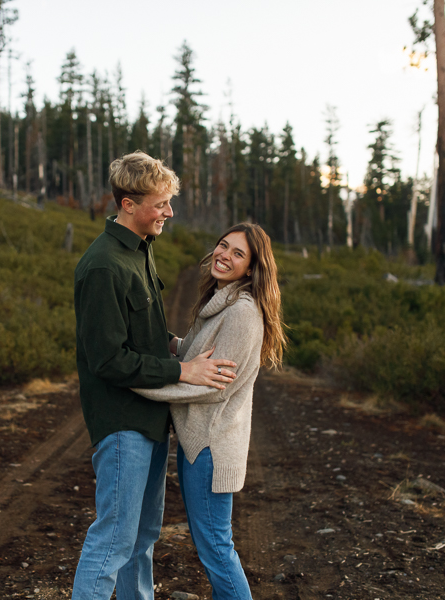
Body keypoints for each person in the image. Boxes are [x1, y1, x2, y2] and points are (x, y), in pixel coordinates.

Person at [72, 151, 238, 600]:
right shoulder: (104, 265)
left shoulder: (140, 251)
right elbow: (108, 359)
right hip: (122, 421)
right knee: (113, 540)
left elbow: (138, 332)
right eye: (161, 203)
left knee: (142, 538)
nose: (169, 212)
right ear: (128, 204)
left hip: (149, 419)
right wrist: (183, 370)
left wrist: (175, 346)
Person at [133, 223, 286, 600]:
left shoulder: (243, 312)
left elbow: (215, 387)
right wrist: (169, 343)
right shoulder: (221, 303)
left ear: (251, 268)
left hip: (210, 450)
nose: (224, 255)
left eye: (238, 253)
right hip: (200, 446)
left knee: (217, 548)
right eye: (223, 246)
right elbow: (203, 356)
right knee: (214, 546)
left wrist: (144, 386)